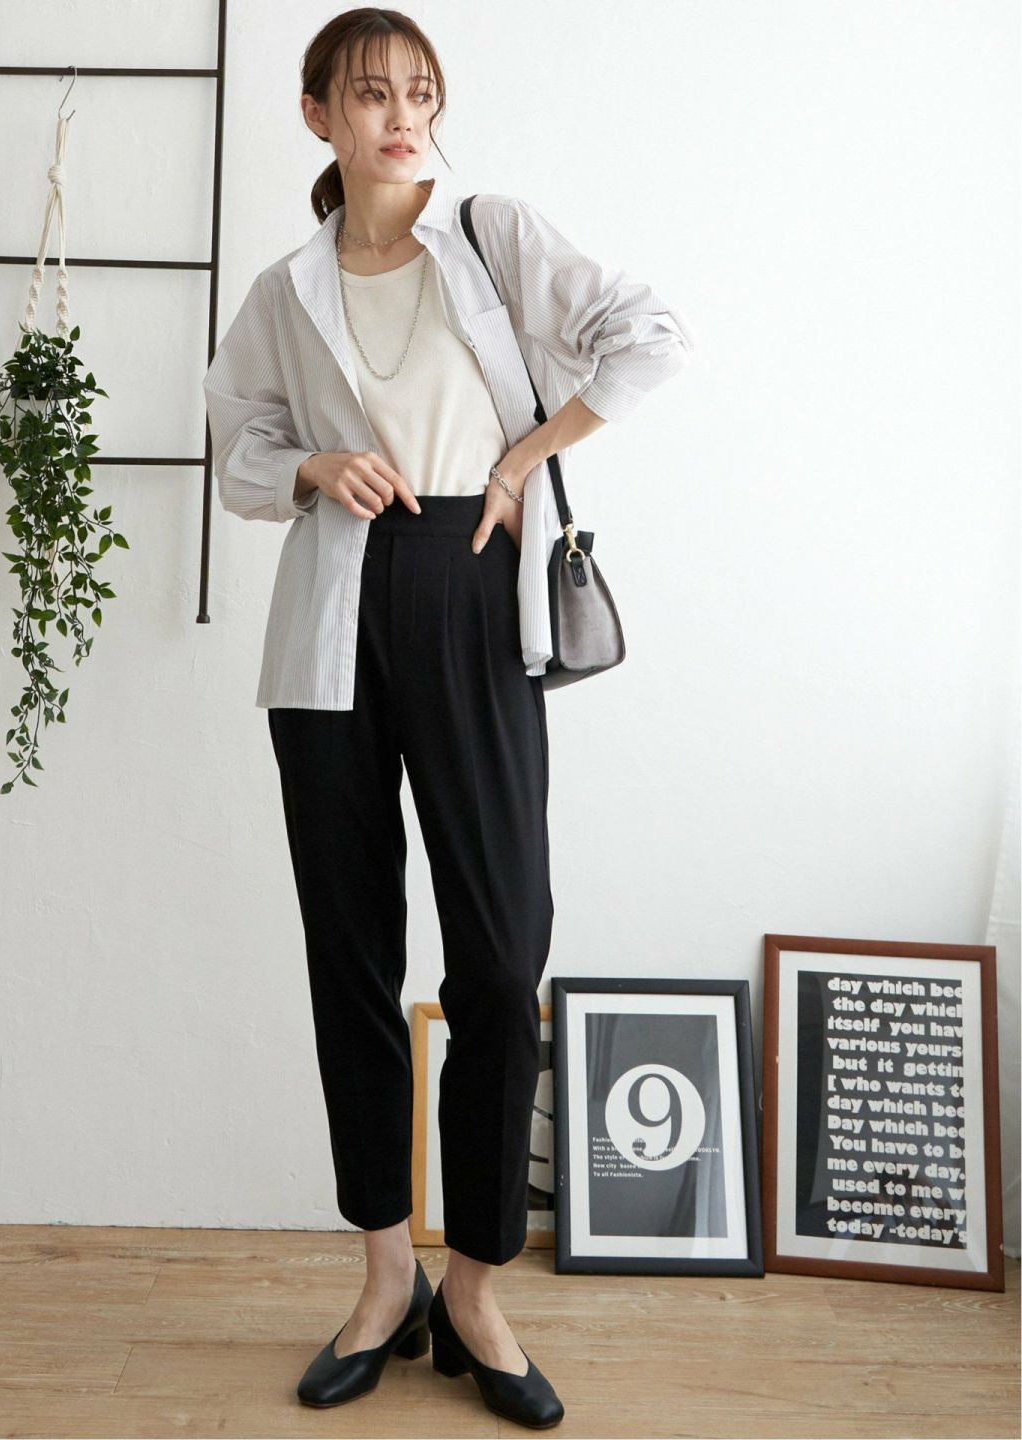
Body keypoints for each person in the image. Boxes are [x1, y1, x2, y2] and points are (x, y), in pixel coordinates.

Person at [202, 8, 695, 1428]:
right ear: (318, 115)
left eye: (420, 92)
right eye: (371, 95)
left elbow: (652, 335)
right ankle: (384, 1278)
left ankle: (474, 1282)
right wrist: (313, 469)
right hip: (332, 624)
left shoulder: (490, 235)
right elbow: (234, 442)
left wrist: (530, 452)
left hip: (474, 592)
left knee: (498, 949)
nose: (401, 117)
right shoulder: (286, 290)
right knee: (351, 955)